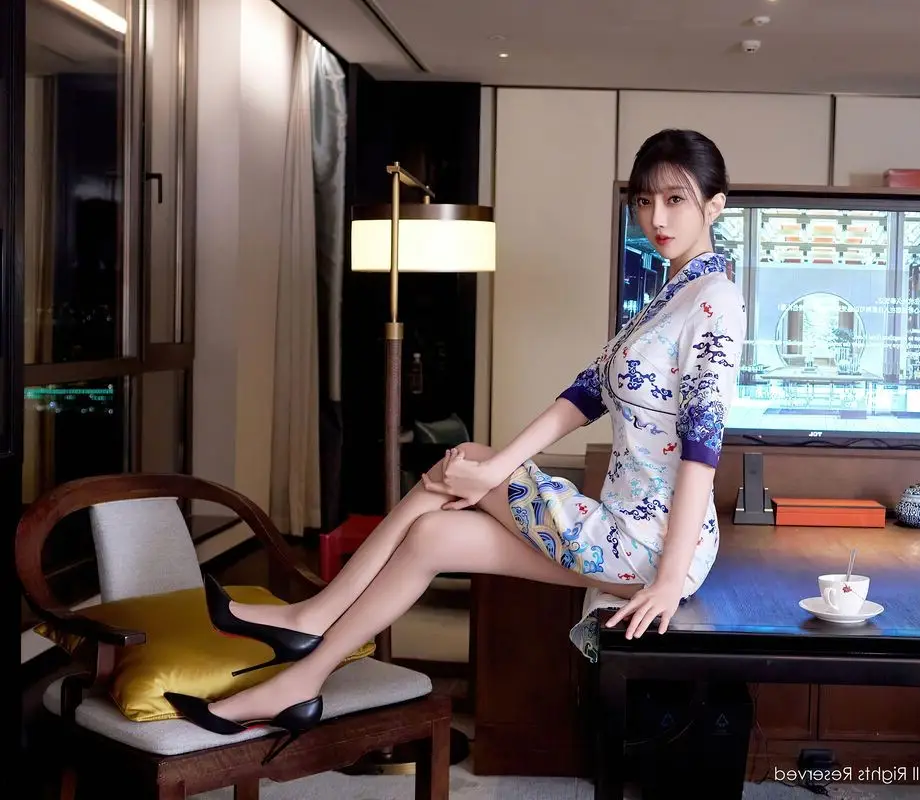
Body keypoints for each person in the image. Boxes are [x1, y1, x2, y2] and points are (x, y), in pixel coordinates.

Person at [165, 128, 747, 751]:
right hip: (623, 525)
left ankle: (310, 617)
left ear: (714, 206)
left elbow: (701, 448)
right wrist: (498, 470)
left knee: (465, 461)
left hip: (652, 546)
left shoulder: (714, 301)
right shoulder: (670, 292)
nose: (656, 218)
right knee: (433, 535)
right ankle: (300, 683)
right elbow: (585, 395)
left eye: (675, 200)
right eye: (643, 201)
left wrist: (669, 578)